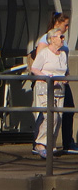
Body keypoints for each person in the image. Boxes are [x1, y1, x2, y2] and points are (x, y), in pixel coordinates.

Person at [31, 12, 74, 154]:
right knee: (49, 115)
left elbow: (64, 68)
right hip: (46, 87)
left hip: (60, 88)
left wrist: (65, 76)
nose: (63, 37)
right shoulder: (44, 50)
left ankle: (51, 144)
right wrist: (48, 77)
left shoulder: (62, 53)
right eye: (60, 36)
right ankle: (40, 144)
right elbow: (35, 67)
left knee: (59, 116)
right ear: (52, 39)